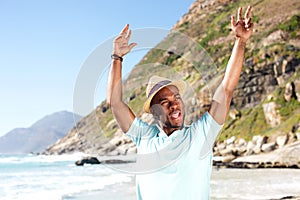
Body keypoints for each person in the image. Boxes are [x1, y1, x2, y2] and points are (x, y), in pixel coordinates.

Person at [107, 5, 254, 200]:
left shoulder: (200, 134)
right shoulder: (144, 138)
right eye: (165, 102)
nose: (174, 104)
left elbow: (226, 89)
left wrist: (240, 41)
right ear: (153, 111)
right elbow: (115, 103)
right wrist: (116, 58)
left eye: (177, 98)